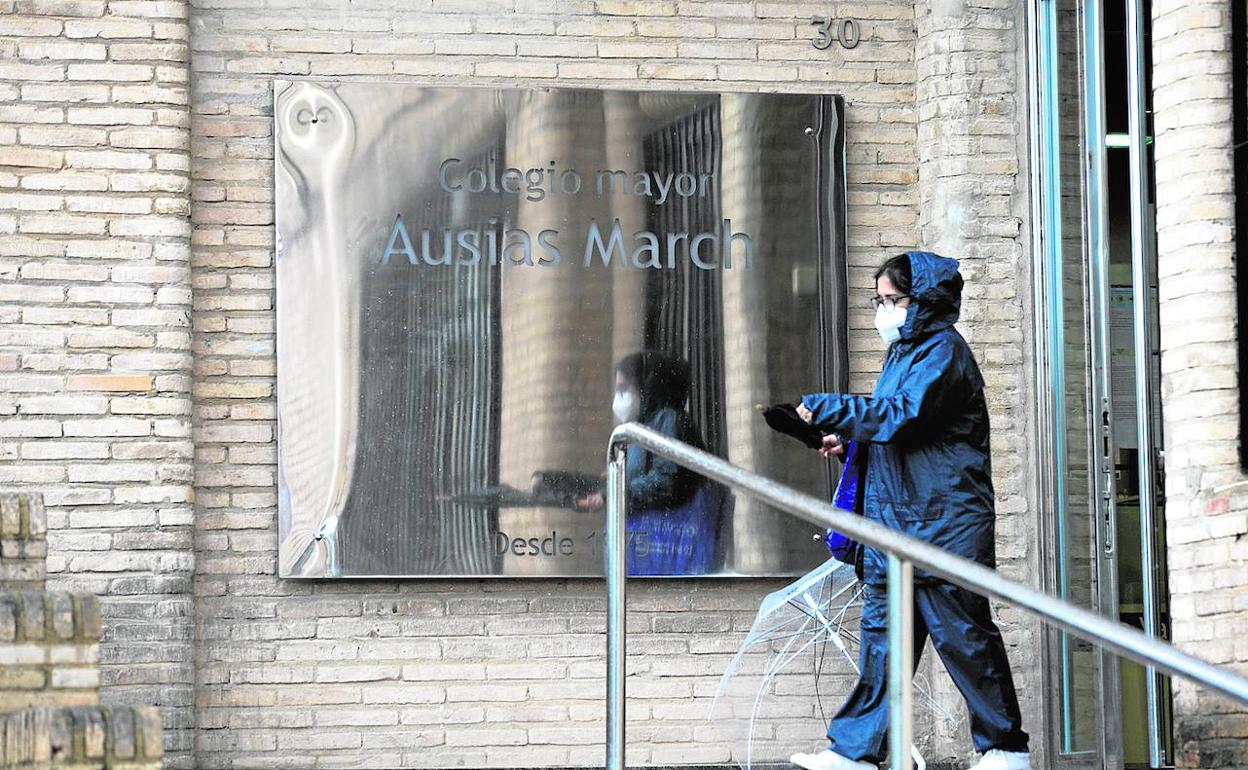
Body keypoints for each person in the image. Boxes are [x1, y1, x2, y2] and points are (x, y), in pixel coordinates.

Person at [789, 253, 1031, 770]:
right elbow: (899, 430)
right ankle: (854, 752)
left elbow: (901, 416)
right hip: (900, 524)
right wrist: (847, 437)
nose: (884, 312)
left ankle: (1005, 751)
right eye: (879, 301)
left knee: (964, 639)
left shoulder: (944, 353)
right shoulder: (907, 353)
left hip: (941, 525)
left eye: (893, 300)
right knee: (883, 647)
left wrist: (833, 409)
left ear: (923, 301)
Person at [580, 351, 723, 575]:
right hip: (644, 540)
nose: (619, 398)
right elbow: (641, 477)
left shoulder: (668, 420)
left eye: (624, 389)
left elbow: (665, 482)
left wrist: (614, 494)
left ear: (648, 387)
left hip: (670, 534)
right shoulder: (640, 429)